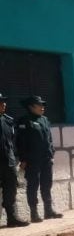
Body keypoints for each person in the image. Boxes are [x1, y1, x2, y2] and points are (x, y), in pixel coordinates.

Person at [15, 95, 62, 222]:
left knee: (47, 185)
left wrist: (51, 152)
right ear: (31, 107)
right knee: (33, 186)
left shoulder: (45, 120)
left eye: (43, 105)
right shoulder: (24, 121)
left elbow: (49, 139)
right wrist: (23, 159)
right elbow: (21, 142)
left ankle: (48, 210)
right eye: (39, 105)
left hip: (46, 159)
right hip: (32, 160)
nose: (42, 107)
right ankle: (34, 213)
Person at [1, 93, 29, 227]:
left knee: (11, 189)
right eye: (1, 102)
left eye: (4, 102)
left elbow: (13, 142)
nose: (3, 104)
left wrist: (18, 157)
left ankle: (11, 218)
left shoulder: (8, 121)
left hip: (9, 162)